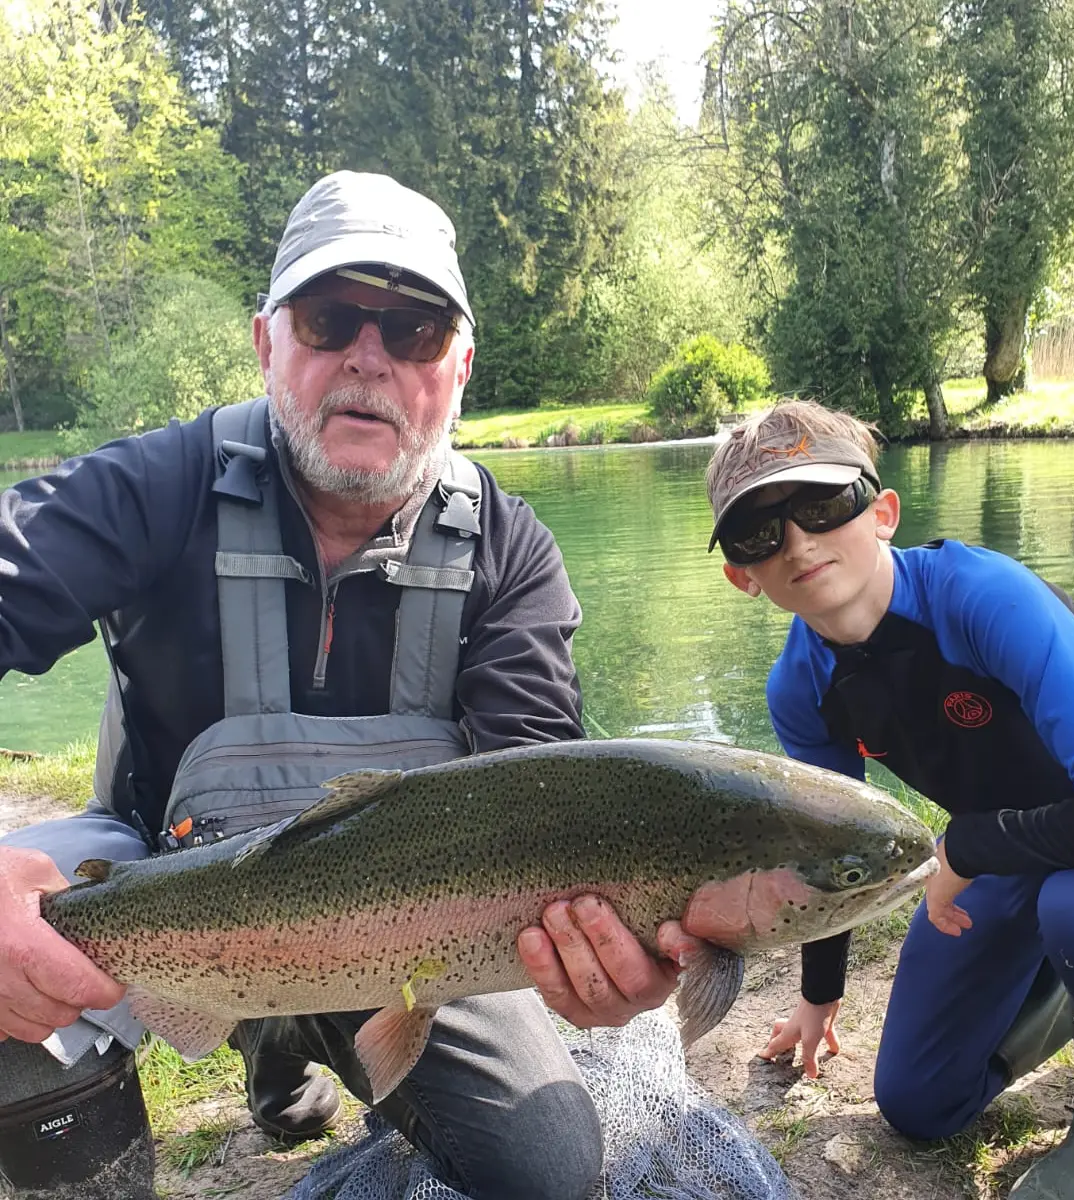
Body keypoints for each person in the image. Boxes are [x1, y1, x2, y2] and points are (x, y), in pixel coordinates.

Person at [0, 170, 693, 1200]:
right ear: (267, 342)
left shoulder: (509, 555)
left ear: (459, 366)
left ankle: (284, 1045)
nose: (369, 359)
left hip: (420, 929)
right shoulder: (159, 486)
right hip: (154, 876)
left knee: (547, 1169)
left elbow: (540, 807)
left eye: (413, 331)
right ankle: (233, 1074)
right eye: (331, 320)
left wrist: (584, 951)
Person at [704, 399, 1074, 1200]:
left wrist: (965, 849)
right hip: (1018, 849)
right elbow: (832, 855)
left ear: (883, 513)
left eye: (822, 506)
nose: (798, 540)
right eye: (759, 532)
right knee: (921, 1101)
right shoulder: (801, 687)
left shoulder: (984, 598)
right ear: (742, 576)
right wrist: (818, 995)